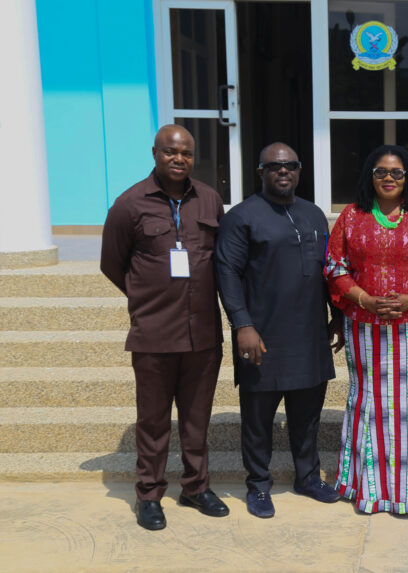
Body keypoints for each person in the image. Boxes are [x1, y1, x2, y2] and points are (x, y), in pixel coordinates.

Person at [100, 124, 229, 530]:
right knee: (153, 420)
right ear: (154, 153)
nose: (179, 159)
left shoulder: (208, 199)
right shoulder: (129, 204)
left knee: (196, 418)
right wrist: (145, 296)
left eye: (187, 153)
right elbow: (112, 264)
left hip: (203, 334)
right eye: (171, 152)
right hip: (154, 333)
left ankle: (195, 487)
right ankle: (150, 494)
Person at [325, 144, 408, 515]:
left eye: (397, 173)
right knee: (367, 399)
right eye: (381, 172)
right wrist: (364, 299)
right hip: (363, 325)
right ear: (370, 176)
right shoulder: (351, 217)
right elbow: (334, 267)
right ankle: (365, 485)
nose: (388, 178)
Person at [215, 142, 344, 518]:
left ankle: (307, 477)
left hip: (308, 335)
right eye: (274, 166)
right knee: (257, 420)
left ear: (299, 170)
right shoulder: (241, 217)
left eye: (290, 165)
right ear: (261, 172)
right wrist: (242, 324)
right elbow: (227, 273)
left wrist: (336, 315)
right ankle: (257, 485)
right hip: (262, 337)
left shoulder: (315, 215)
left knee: (307, 416)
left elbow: (327, 272)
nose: (283, 171)